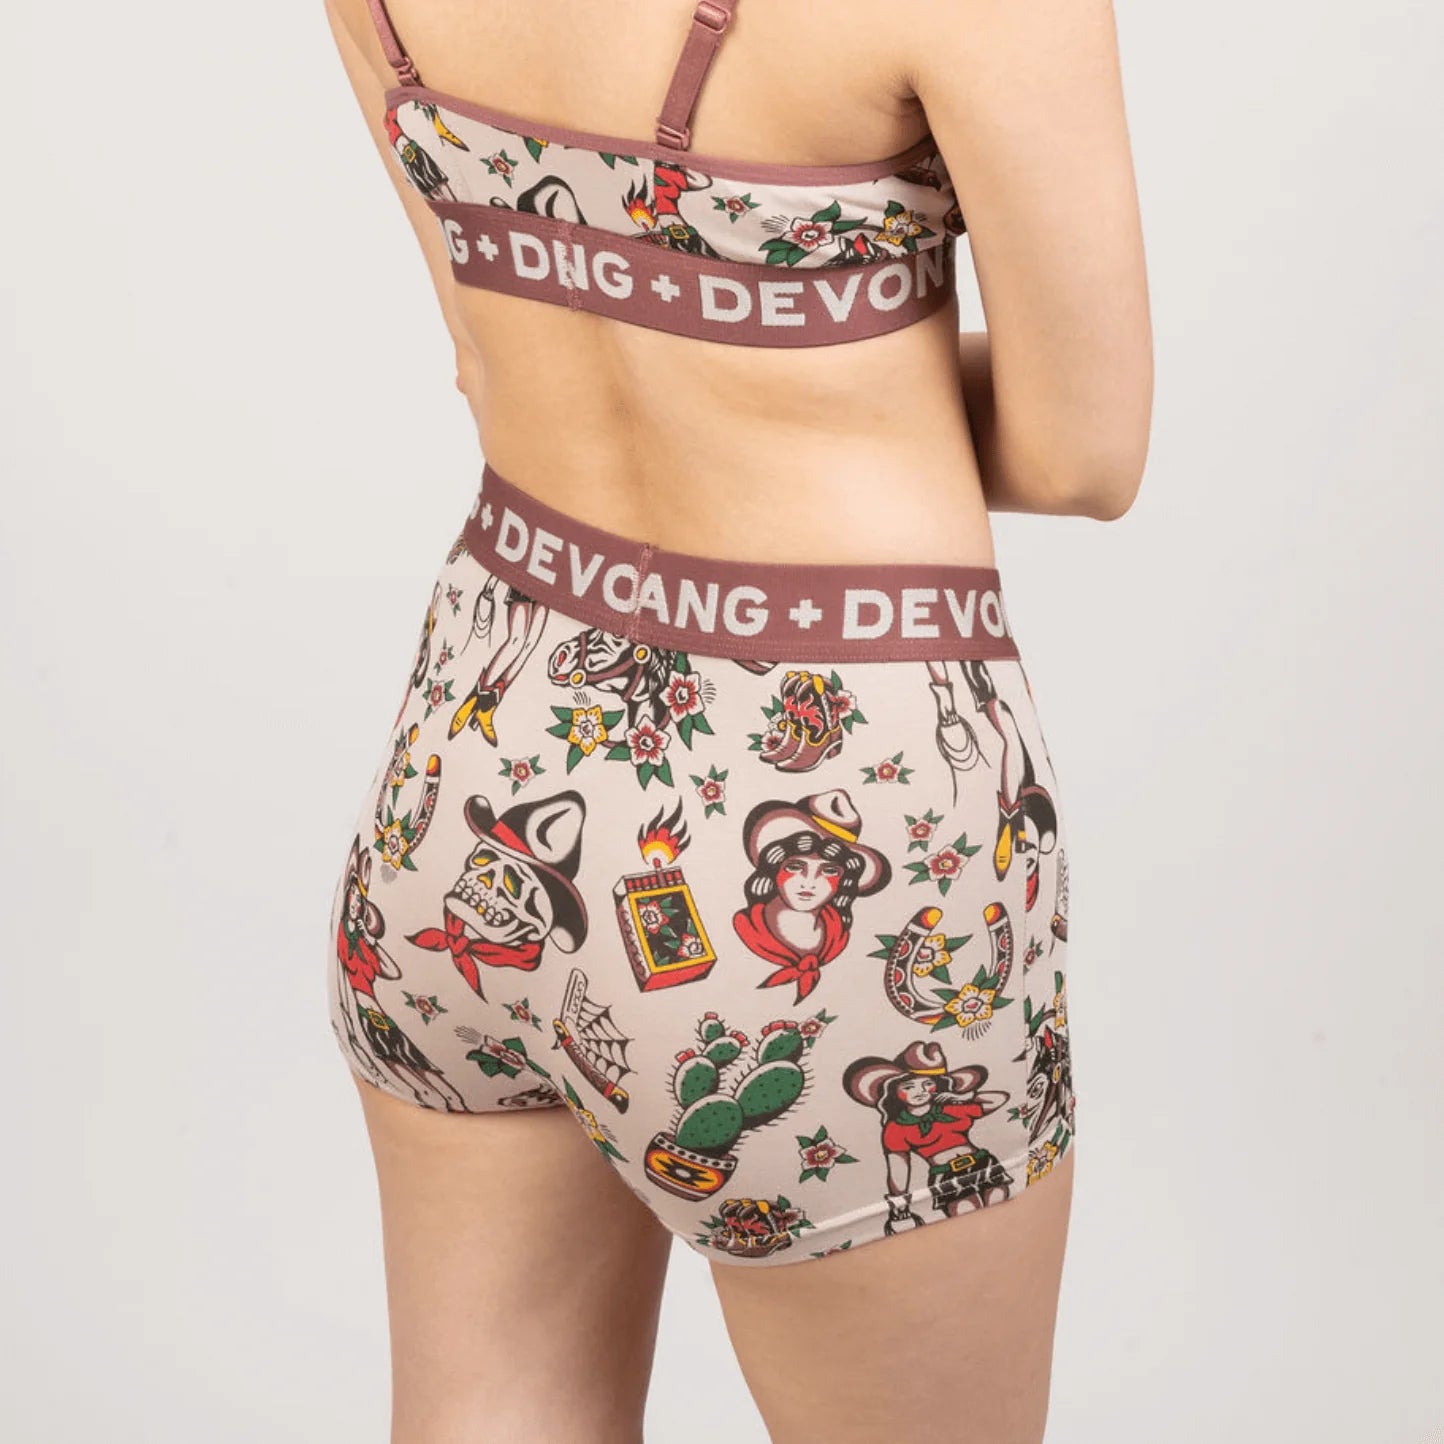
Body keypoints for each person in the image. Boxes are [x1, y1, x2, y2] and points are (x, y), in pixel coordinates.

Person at [319, 1, 1151, 1439]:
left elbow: (499, 342)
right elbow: (1083, 450)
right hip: (842, 792)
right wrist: (822, 378)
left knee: (492, 1404)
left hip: (481, 750)